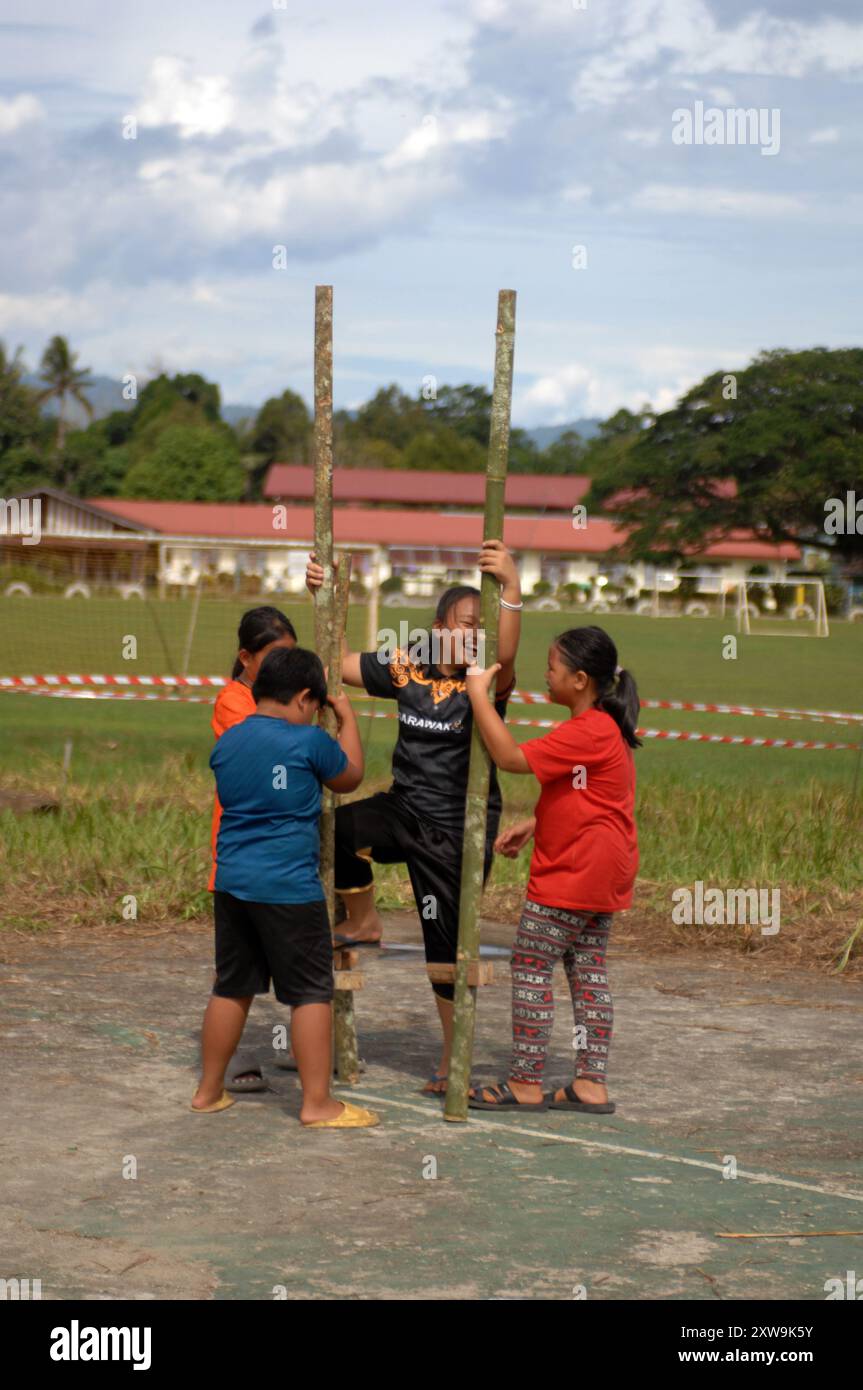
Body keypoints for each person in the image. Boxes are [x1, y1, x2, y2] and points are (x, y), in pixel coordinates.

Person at [305, 540, 522, 1095]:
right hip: (404, 807)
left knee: (444, 947)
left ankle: (454, 1056)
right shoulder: (409, 662)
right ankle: (364, 919)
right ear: (438, 625)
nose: (474, 633)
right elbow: (338, 665)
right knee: (335, 831)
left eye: (483, 625)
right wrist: (323, 595)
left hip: (458, 827)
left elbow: (509, 652)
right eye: (465, 623)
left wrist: (514, 591)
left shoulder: (485, 676)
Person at [192, 646, 379, 1128]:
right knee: (311, 993)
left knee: (232, 986)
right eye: (315, 705)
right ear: (303, 698)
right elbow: (350, 777)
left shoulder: (229, 742)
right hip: (288, 890)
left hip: (233, 884)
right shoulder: (308, 742)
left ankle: (209, 1091)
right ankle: (317, 1103)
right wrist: (347, 718)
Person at [463, 626, 640, 1114]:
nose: (546, 673)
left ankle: (524, 1082)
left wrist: (479, 696)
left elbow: (509, 757)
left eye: (552, 666)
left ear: (580, 679)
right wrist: (536, 822)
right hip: (606, 868)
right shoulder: (607, 726)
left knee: (532, 964)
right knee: (587, 969)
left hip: (575, 871)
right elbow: (592, 796)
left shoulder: (587, 729)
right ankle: (589, 1082)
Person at [208, 607, 298, 1092]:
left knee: (295, 960)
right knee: (238, 969)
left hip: (287, 856)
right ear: (246, 658)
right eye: (273, 658)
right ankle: (233, 1054)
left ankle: (305, 1046)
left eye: (292, 658)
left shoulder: (279, 700)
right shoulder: (234, 702)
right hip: (243, 855)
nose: (284, 668)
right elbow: (276, 747)